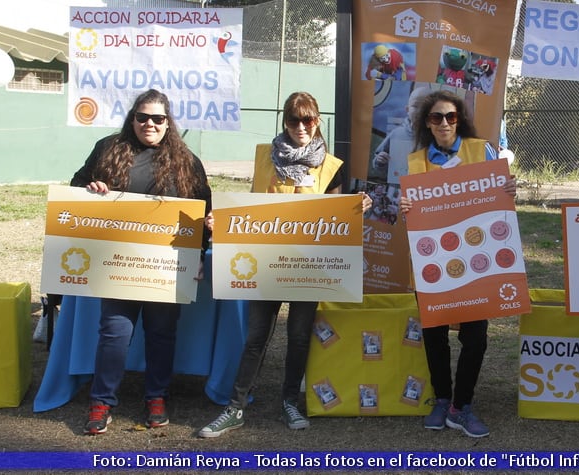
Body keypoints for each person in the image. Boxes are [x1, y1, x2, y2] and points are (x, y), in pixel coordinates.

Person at [199, 92, 371, 438]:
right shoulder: (265, 156)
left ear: (318, 121)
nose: (301, 127)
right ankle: (235, 406)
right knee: (256, 337)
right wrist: (223, 223)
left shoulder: (331, 166)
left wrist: (357, 209)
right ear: (285, 121)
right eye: (294, 120)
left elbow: (335, 218)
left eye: (308, 120)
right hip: (266, 263)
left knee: (298, 336)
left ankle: (290, 400)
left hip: (308, 267)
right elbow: (247, 207)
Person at [70, 89, 212, 435]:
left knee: (162, 333)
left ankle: (157, 396)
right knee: (114, 332)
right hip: (117, 263)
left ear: (168, 123)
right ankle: (102, 400)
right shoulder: (108, 149)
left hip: (167, 265)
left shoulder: (186, 161)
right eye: (143, 117)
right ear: (132, 118)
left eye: (158, 119)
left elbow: (203, 211)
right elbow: (75, 187)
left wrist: (199, 248)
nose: (150, 124)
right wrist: (92, 188)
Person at [399, 90, 516, 438]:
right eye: (436, 117)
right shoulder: (416, 160)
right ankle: (442, 398)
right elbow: (413, 216)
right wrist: (407, 210)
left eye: (450, 116)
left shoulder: (482, 150)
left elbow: (500, 194)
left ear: (460, 119)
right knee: (434, 335)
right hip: (432, 262)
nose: (444, 123)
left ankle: (461, 405)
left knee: (475, 337)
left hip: (477, 261)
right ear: (427, 123)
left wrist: (508, 190)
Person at [370, 84, 431, 182]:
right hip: (399, 188)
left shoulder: (437, 137)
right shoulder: (397, 134)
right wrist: (380, 161)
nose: (420, 111)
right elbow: (378, 159)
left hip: (427, 189)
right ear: (407, 110)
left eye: (425, 107)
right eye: (416, 106)